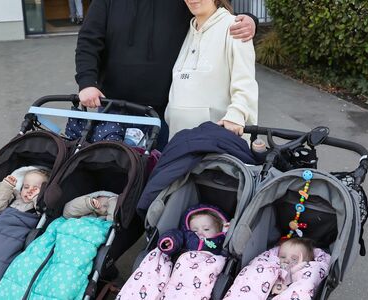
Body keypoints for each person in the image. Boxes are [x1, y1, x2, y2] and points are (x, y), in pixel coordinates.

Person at [75, 0, 257, 267]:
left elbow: (217, 14)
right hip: (114, 111)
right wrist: (86, 82)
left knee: (163, 188)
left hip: (159, 117)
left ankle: (172, 248)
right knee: (115, 182)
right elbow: (89, 40)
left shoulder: (184, 5)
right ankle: (102, 255)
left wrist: (249, 19)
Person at [165, 0, 258, 138]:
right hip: (178, 142)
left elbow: (246, 81)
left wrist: (236, 115)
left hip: (216, 144)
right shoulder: (188, 30)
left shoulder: (235, 27)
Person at [117, 205, 230, 300]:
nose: (200, 233)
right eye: (195, 230)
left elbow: (224, 252)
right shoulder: (185, 236)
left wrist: (226, 231)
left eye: (206, 229)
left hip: (199, 271)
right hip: (176, 264)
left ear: (218, 230)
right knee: (152, 279)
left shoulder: (218, 243)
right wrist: (169, 242)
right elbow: (174, 236)